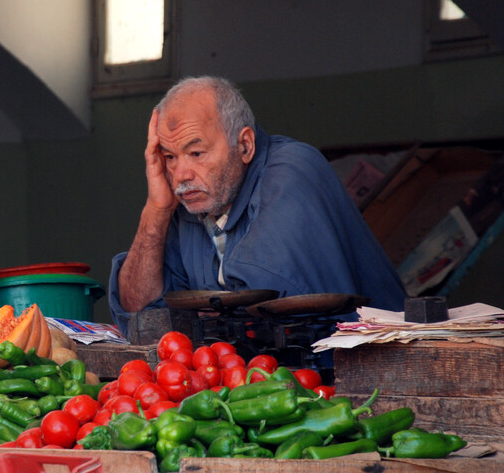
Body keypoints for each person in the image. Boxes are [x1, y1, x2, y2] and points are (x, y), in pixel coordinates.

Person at [108, 76, 407, 336]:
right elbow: (138, 312)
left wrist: (193, 314)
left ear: (245, 146)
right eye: (170, 157)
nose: (181, 175)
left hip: (378, 373)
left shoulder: (292, 171)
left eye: (196, 152)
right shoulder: (193, 201)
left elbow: (260, 299)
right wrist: (156, 210)